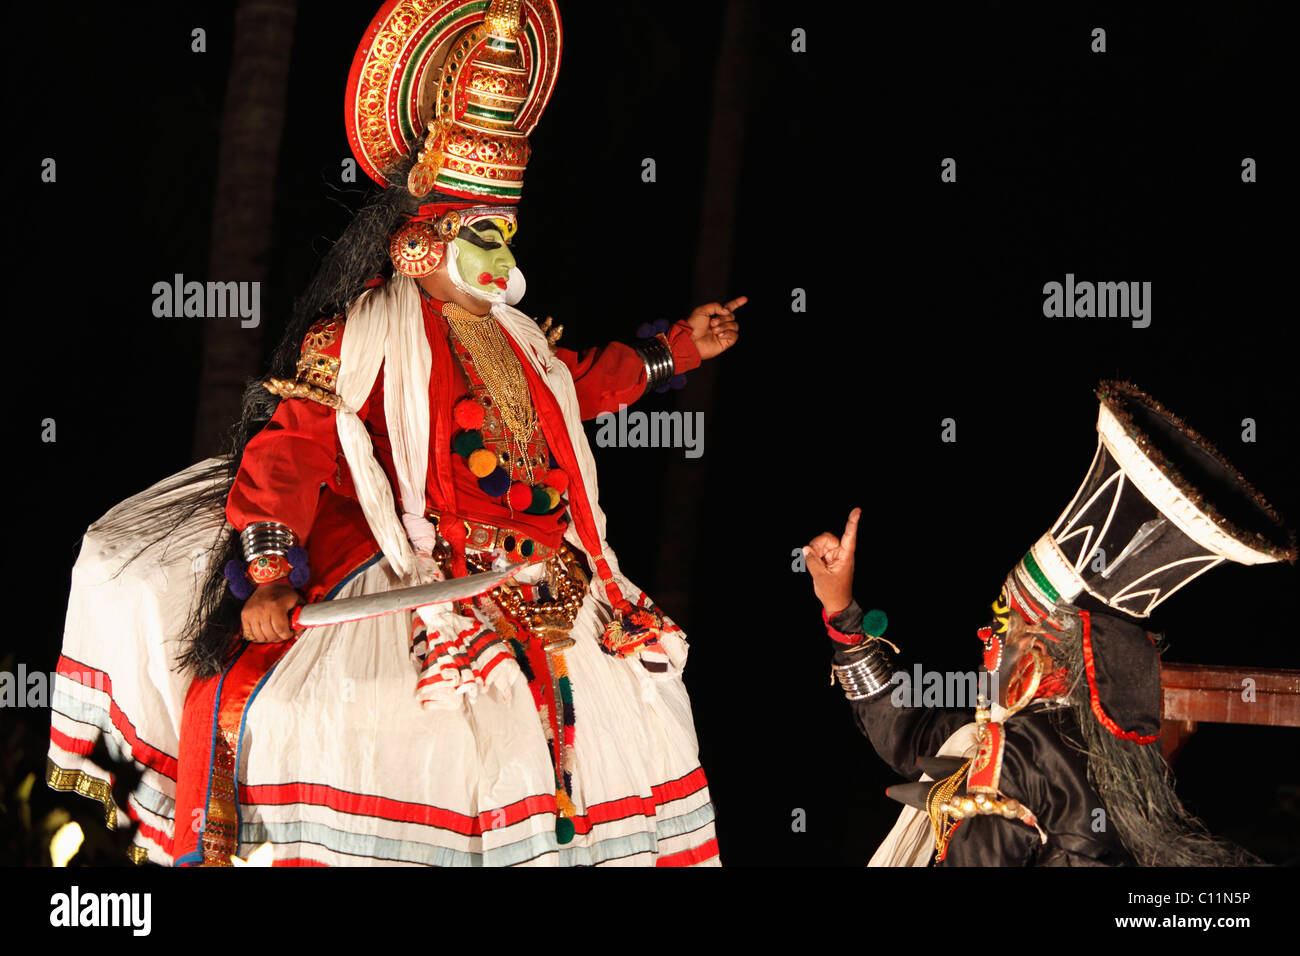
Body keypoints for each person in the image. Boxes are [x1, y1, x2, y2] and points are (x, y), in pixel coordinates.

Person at [47, 0, 739, 867]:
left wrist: (678, 350)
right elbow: (293, 449)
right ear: (428, 235)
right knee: (359, 735)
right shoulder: (367, 333)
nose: (501, 252)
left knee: (650, 728)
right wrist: (269, 576)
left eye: (507, 231)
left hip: (558, 590)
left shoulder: (521, 342)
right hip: (422, 580)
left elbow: (584, 386)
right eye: (484, 231)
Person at [803, 381, 1294, 866]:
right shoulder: (1048, 737)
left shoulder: (1024, 755)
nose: (987, 638)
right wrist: (842, 612)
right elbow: (912, 734)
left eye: (1003, 623)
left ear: (1037, 657)